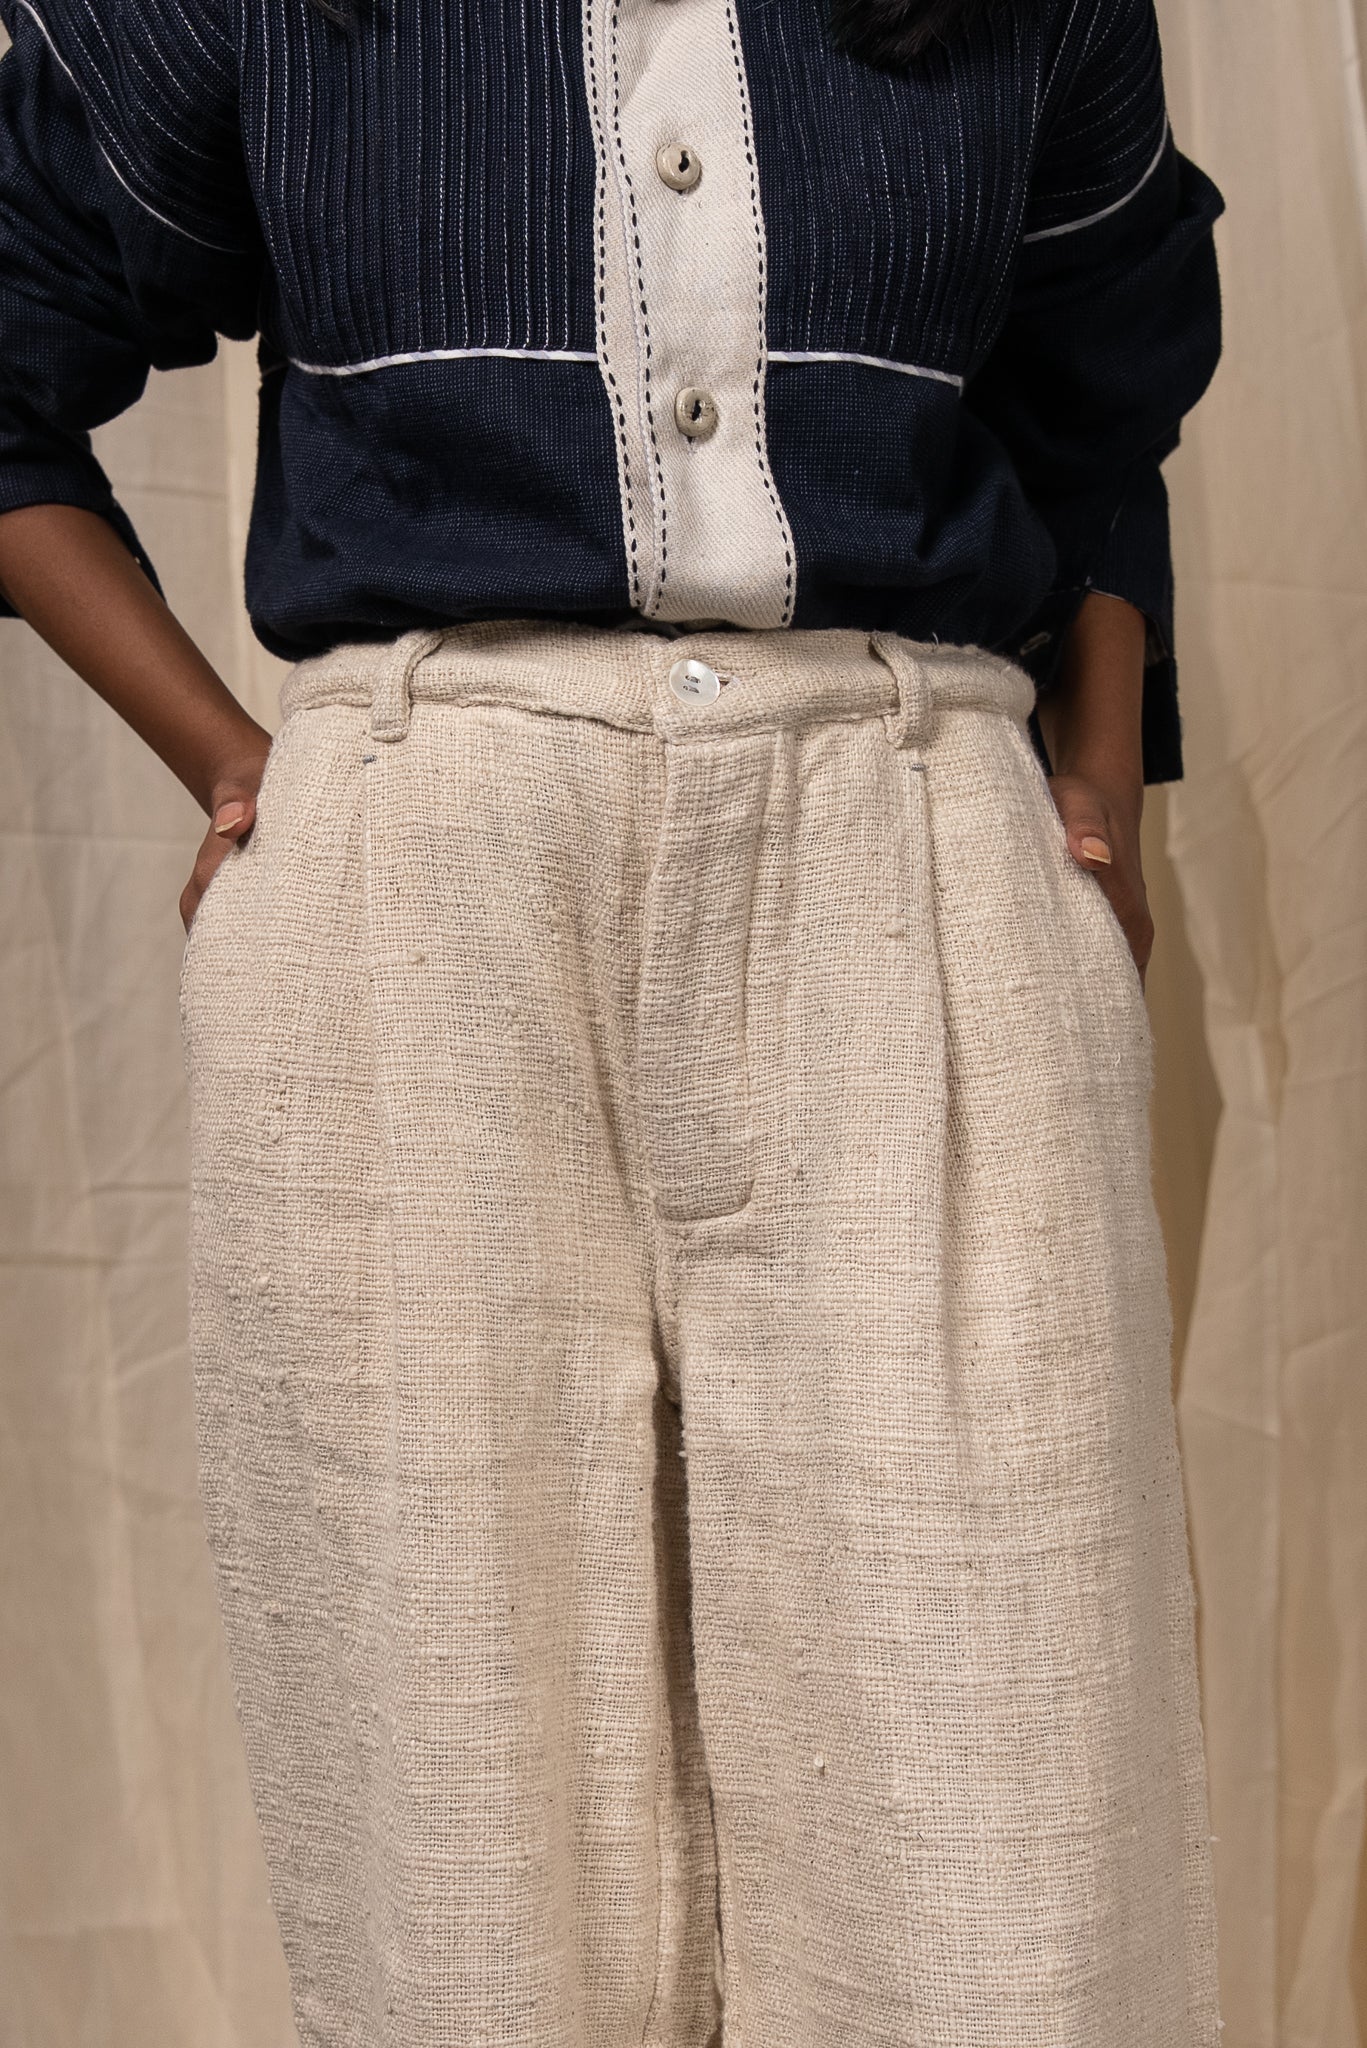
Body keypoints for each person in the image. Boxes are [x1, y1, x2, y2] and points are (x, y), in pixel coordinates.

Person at [0, 0, 1226, 2038]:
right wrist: (237, 766)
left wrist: (1100, 789)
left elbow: (1102, 407)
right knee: (464, 1867)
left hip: (911, 838)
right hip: (429, 896)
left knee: (1003, 1838)